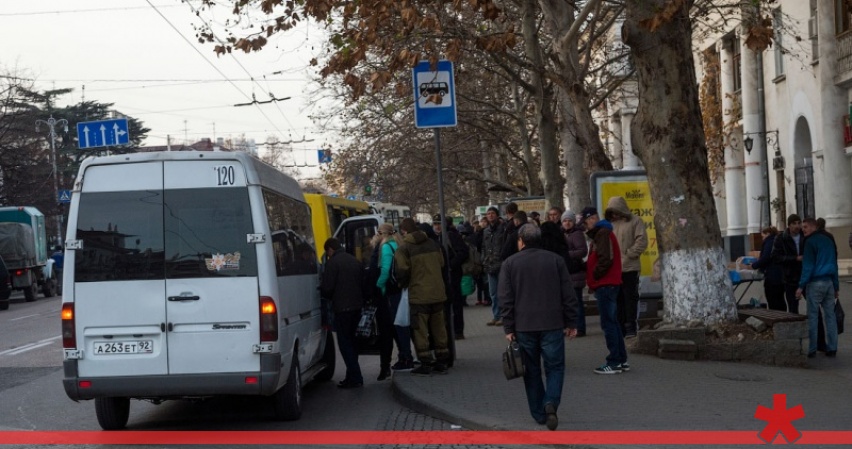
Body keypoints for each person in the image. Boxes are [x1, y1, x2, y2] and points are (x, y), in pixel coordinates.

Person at [499, 224, 578, 431]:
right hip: (552, 323)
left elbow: (505, 299)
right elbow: (568, 294)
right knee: (555, 367)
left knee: (531, 370)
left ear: (521, 241)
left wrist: (508, 328)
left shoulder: (509, 264)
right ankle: (550, 401)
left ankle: (539, 413)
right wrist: (571, 322)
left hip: (524, 325)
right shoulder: (555, 260)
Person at [394, 218, 450, 375]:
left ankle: (426, 363)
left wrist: (402, 285)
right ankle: (442, 361)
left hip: (419, 294)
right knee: (439, 329)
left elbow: (402, 272)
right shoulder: (433, 244)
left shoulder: (403, 249)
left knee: (420, 330)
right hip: (438, 293)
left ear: (404, 231)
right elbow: (441, 263)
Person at [583, 207, 627, 375]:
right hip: (608, 283)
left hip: (606, 283)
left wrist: (595, 275)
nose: (586, 226)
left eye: (586, 222)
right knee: (613, 322)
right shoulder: (603, 232)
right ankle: (621, 359)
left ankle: (614, 361)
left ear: (592, 218)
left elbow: (605, 259)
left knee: (608, 323)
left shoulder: (602, 233)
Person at [320, 238, 365, 388]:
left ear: (330, 249)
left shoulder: (333, 263)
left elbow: (327, 288)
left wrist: (322, 291)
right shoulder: (354, 260)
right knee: (352, 342)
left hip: (342, 309)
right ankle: (351, 375)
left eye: (327, 253)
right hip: (357, 307)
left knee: (344, 343)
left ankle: (355, 376)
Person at [605, 196, 648, 338]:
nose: (615, 214)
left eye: (616, 211)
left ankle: (630, 326)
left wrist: (630, 254)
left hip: (630, 267)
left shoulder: (635, 221)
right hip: (614, 269)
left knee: (630, 298)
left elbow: (642, 240)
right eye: (612, 212)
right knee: (617, 299)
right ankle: (621, 326)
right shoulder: (609, 224)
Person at [796, 218, 840, 358]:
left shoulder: (809, 242)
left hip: (815, 283)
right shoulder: (828, 240)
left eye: (806, 227)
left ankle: (812, 349)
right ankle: (832, 347)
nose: (803, 229)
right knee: (830, 316)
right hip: (829, 283)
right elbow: (834, 264)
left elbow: (807, 266)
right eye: (803, 227)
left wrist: (801, 286)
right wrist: (836, 286)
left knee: (813, 317)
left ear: (814, 227)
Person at [374, 224, 411, 374]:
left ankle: (406, 357)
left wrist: (378, 286)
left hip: (392, 291)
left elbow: (385, 270)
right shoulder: (398, 244)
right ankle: (406, 355)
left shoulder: (386, 247)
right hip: (402, 288)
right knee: (404, 324)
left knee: (399, 325)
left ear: (382, 233)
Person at [433, 215, 469, 340]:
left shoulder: (451, 235)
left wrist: (450, 265)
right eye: (435, 223)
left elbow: (463, 252)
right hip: (441, 276)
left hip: (453, 274)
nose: (437, 226)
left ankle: (458, 330)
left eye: (439, 223)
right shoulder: (435, 238)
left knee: (456, 303)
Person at [562, 210, 588, 337]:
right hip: (568, 271)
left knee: (576, 302)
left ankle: (580, 327)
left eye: (569, 220)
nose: (567, 223)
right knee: (570, 302)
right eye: (565, 221)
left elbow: (582, 251)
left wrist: (567, 255)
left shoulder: (576, 234)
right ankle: (571, 327)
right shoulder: (563, 234)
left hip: (575, 271)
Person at [772, 214, 804, 314]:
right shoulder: (781, 238)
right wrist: (795, 258)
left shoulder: (805, 236)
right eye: (794, 223)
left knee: (814, 306)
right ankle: (794, 328)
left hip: (806, 275)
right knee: (793, 307)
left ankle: (817, 329)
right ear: (789, 225)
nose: (797, 226)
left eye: (799, 223)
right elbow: (775, 257)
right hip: (790, 277)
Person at [750, 226, 785, 311]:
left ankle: (776, 318)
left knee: (773, 300)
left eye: (763, 236)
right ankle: (783, 318)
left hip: (773, 276)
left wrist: (754, 265)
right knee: (780, 299)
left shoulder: (770, 242)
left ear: (768, 234)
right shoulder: (778, 240)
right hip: (781, 276)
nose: (762, 239)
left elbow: (765, 258)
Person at [482, 206, 507, 325]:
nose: (490, 215)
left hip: (501, 264)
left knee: (502, 292)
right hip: (490, 265)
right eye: (488, 214)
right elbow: (483, 247)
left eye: (492, 213)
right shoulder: (486, 231)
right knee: (493, 293)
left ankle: (504, 316)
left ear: (497, 215)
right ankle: (496, 315)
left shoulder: (503, 229)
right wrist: (484, 259)